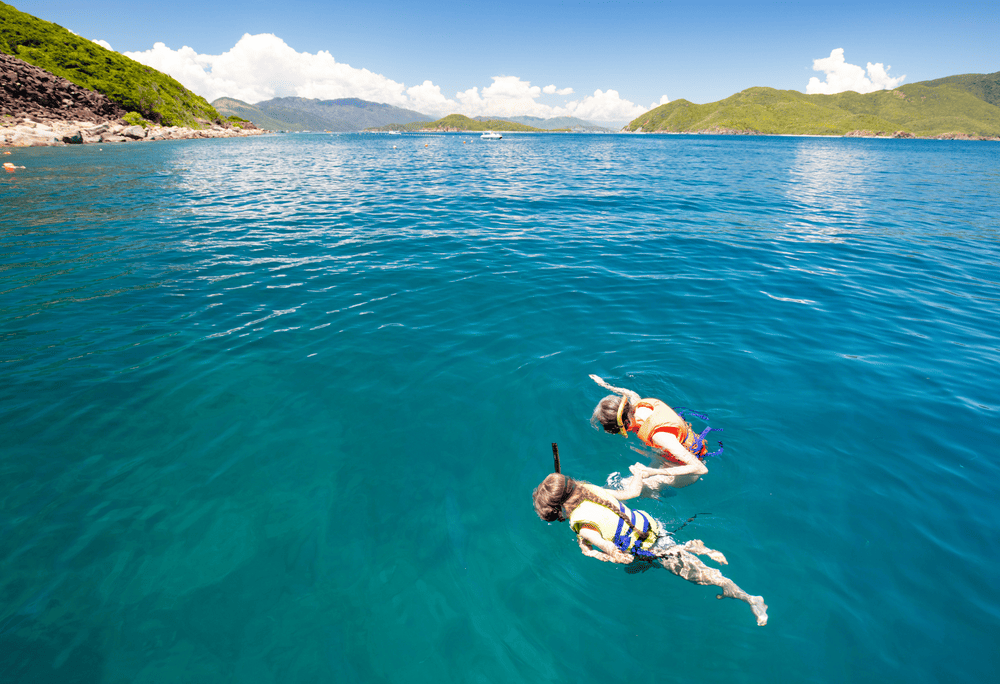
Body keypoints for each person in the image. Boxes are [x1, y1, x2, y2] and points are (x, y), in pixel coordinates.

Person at [532, 472, 768, 626]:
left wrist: (594, 553)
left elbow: (614, 552)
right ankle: (693, 549)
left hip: (650, 549)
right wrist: (638, 474)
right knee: (663, 554)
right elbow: (633, 493)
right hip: (654, 527)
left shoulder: (580, 525)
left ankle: (749, 598)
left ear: (558, 507)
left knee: (703, 577)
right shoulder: (591, 489)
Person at [590, 374, 721, 491]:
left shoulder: (659, 435)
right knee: (632, 481)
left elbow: (701, 469)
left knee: (626, 486)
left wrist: (651, 472)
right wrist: (604, 384)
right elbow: (631, 393)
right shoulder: (639, 405)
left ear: (622, 425)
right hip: (671, 452)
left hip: (689, 470)